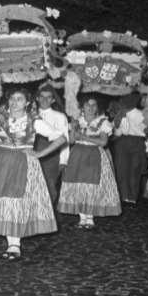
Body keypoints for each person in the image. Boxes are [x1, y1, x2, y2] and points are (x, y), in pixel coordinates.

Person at [0, 89, 64, 260]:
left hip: (24, 163)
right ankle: (11, 241)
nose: (15, 102)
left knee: (18, 200)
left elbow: (60, 138)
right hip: (2, 162)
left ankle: (14, 244)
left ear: (28, 103)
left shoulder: (34, 121)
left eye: (20, 99)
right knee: (4, 200)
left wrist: (40, 154)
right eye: (12, 99)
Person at [58, 98, 121, 229]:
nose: (90, 108)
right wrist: (73, 130)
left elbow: (103, 142)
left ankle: (90, 218)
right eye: (87, 105)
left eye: (94, 105)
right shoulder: (77, 121)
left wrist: (85, 137)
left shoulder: (103, 122)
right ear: (82, 107)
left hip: (94, 155)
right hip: (78, 154)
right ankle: (82, 218)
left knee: (91, 185)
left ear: (97, 108)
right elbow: (71, 141)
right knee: (78, 184)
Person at [35, 84, 70, 205]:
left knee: (49, 186)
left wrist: (63, 161)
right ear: (37, 98)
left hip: (51, 155)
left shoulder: (60, 116)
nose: (45, 100)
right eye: (42, 97)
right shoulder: (30, 114)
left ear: (53, 100)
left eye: (49, 97)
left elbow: (64, 139)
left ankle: (48, 216)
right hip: (32, 153)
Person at [111, 93, 147, 206]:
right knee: (133, 170)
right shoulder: (142, 114)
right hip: (134, 142)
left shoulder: (123, 113)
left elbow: (120, 131)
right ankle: (131, 197)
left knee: (123, 170)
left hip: (126, 142)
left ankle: (125, 196)